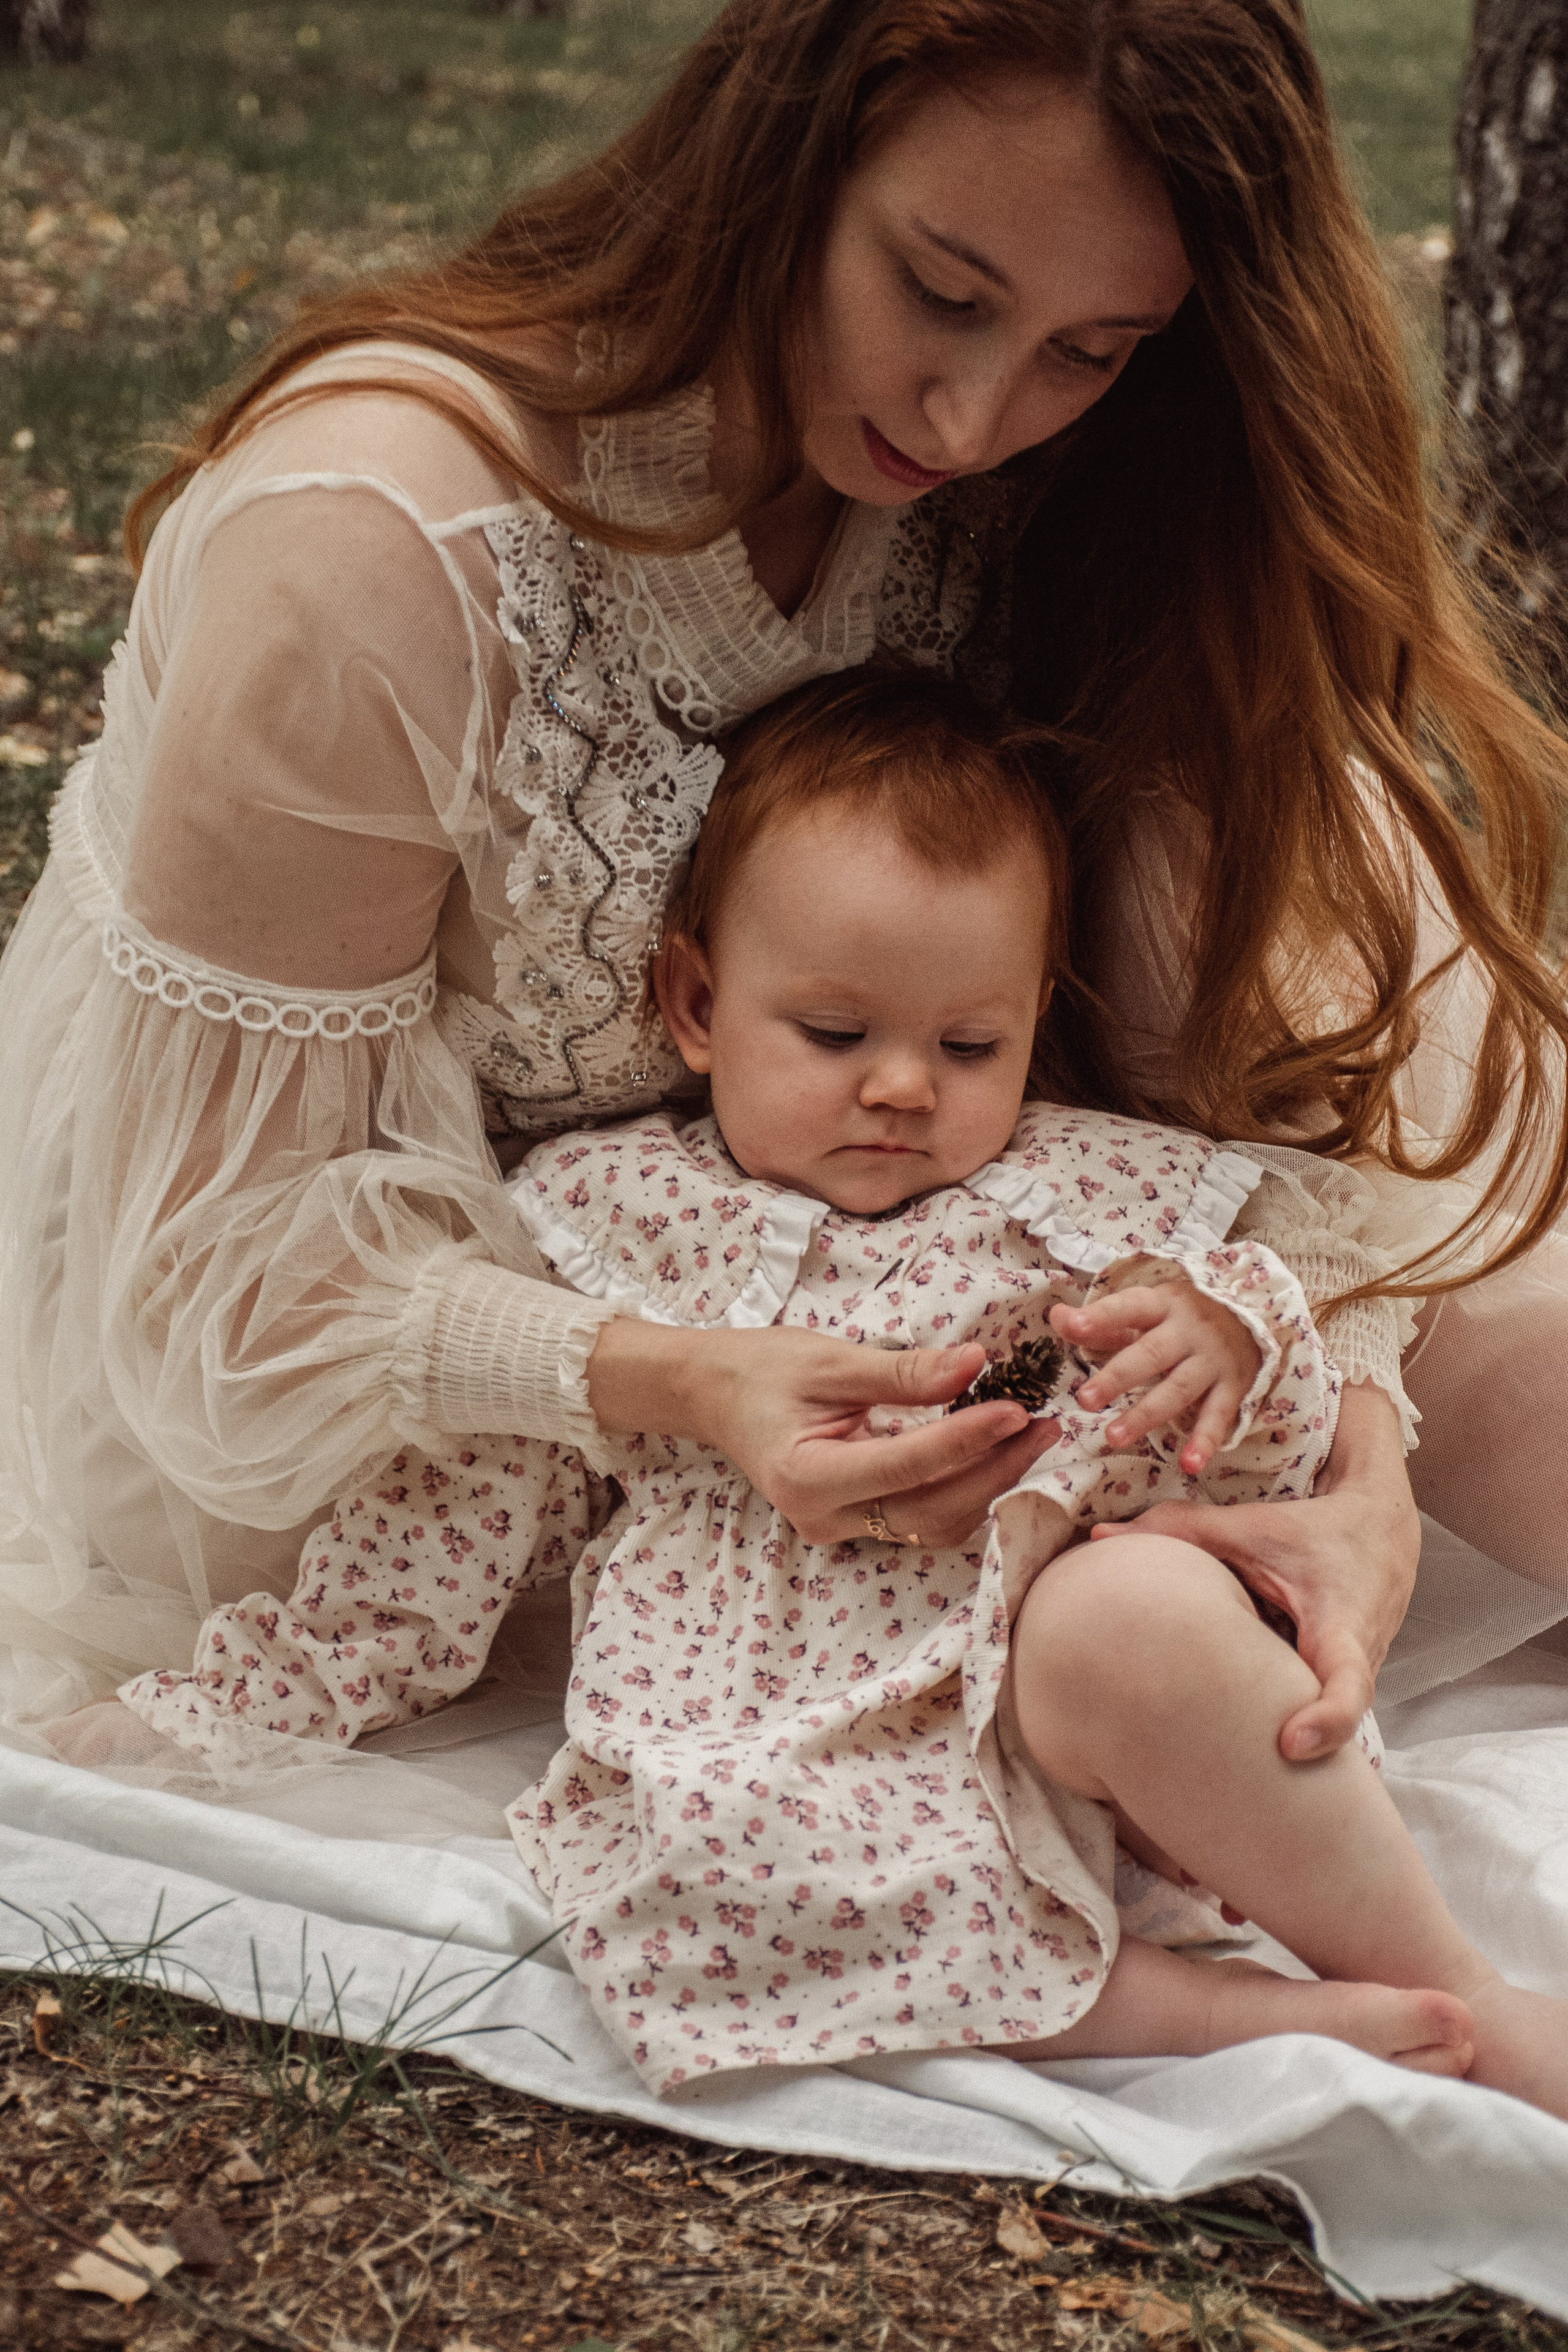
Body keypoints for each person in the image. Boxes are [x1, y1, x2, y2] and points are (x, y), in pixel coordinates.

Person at [6, 0, 1567, 1817]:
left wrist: (1365, 1444)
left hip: (900, 1283)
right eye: (941, 290)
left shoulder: (1042, 480)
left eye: (1091, 346)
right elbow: (211, 1290)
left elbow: (1299, 1124)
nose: (974, 417)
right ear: (791, 143)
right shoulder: (379, 545)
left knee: (1470, 1313)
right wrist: (680, 1384)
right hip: (394, 1424)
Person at [118, 674, 1568, 2113]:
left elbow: (1296, 1312)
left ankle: (1456, 1988)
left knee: (1133, 1623)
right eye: (832, 1036)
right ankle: (1221, 2017)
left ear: (1030, 1023)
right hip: (777, 1718)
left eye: (965, 1046)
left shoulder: (1087, 1184)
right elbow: (467, 1494)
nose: (899, 1090)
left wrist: (1224, 1337)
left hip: (1064, 1673)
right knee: (704, 1876)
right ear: (694, 1005)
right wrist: (283, 1683)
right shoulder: (608, 1220)